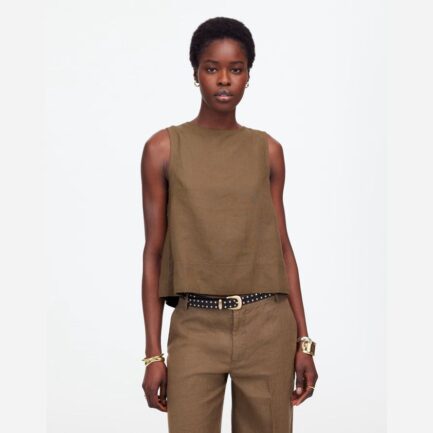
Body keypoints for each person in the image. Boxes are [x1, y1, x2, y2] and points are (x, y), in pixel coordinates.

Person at [140, 16, 318, 433]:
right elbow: (153, 254)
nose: (223, 80)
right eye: (211, 68)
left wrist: (304, 341)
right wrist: (153, 354)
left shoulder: (267, 150)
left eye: (235, 69)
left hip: (267, 324)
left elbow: (282, 246)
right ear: (195, 73)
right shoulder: (163, 149)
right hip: (195, 327)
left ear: (248, 75)